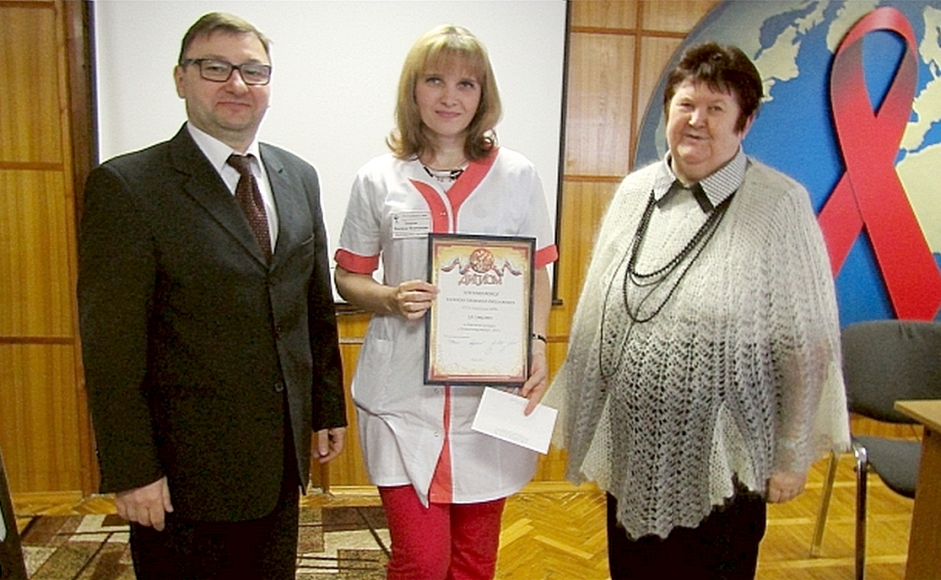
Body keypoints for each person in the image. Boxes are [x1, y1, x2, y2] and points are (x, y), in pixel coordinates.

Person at [545, 42, 849, 579]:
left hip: (725, 467)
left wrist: (790, 454)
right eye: (686, 104)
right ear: (669, 110)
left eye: (716, 108)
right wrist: (581, 418)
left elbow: (806, 342)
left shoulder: (779, 204)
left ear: (744, 122)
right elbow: (595, 318)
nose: (696, 120)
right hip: (633, 455)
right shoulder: (635, 192)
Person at [77, 12, 346, 580]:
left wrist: (325, 408)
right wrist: (132, 470)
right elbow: (111, 349)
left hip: (278, 459)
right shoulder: (129, 186)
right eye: (215, 68)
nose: (237, 84)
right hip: (183, 474)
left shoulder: (298, 176)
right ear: (181, 79)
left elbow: (313, 307)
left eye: (254, 70)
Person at [334, 24, 558, 580]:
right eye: (434, 80)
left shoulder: (517, 176)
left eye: (466, 83)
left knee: (475, 563)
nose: (450, 96)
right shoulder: (378, 178)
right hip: (401, 399)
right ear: (413, 89)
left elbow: (536, 271)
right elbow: (348, 277)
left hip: (490, 398)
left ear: (484, 95)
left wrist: (536, 345)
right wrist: (388, 297)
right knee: (422, 561)